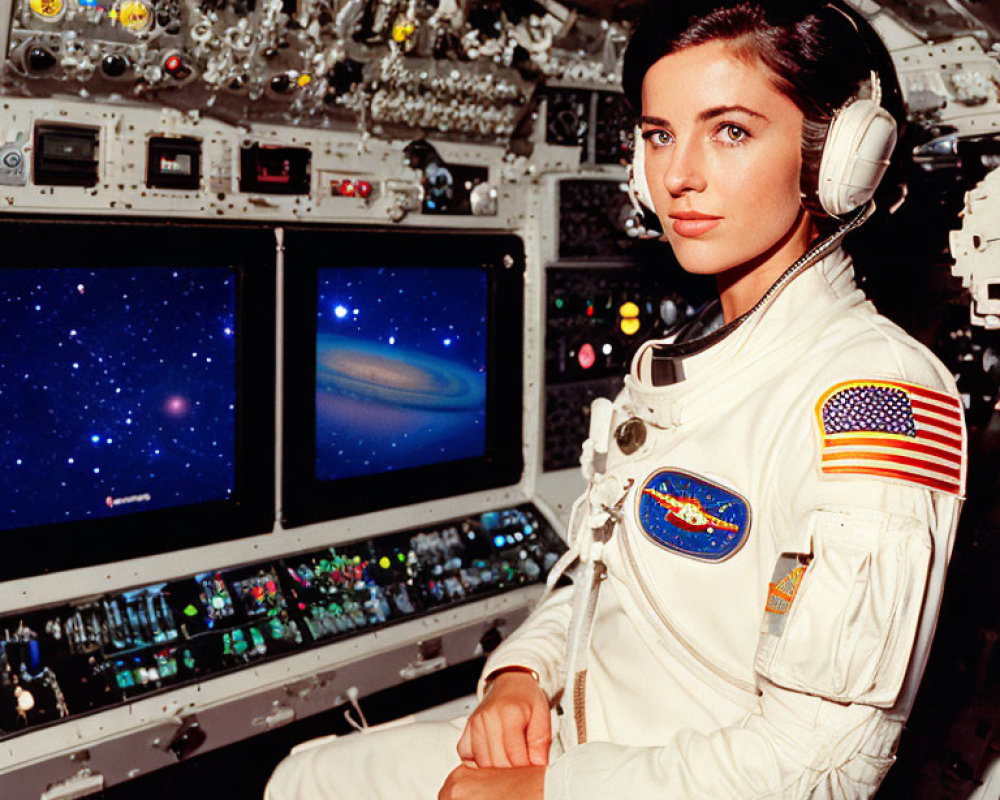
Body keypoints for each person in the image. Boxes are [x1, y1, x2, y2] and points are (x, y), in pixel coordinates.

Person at [265, 1, 967, 798]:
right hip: (577, 729)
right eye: (661, 133)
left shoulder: (876, 400)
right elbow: (611, 580)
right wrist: (522, 672)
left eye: (730, 131)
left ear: (840, 158)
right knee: (302, 777)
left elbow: (822, 768)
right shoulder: (695, 354)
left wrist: (543, 793)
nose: (676, 176)